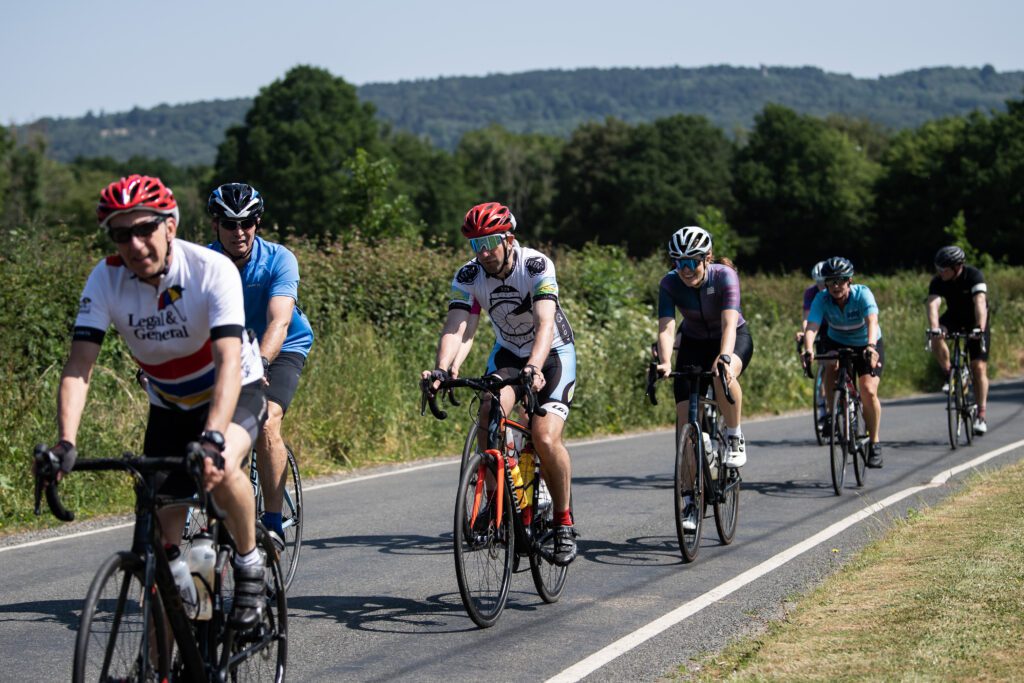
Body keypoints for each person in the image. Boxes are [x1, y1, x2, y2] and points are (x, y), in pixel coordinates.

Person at [40, 175, 268, 627]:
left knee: (219, 468)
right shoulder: (105, 279)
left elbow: (227, 362)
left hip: (235, 389)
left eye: (145, 228)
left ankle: (249, 563)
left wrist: (214, 436)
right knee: (160, 553)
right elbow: (79, 367)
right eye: (122, 233)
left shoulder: (209, 269)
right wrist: (65, 442)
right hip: (170, 404)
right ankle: (168, 651)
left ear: (171, 225)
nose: (135, 243)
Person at [421, 202, 579, 565]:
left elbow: (544, 324)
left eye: (491, 241)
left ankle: (563, 522)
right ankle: (496, 502)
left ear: (509, 238)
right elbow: (459, 326)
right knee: (489, 411)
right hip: (508, 353)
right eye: (476, 244)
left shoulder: (536, 265)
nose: (485, 251)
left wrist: (535, 366)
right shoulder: (468, 276)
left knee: (543, 436)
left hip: (552, 354)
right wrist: (444, 369)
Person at [207, 183, 314, 547]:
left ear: (258, 222)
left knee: (267, 419)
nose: (239, 232)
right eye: (229, 223)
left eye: (247, 222)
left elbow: (280, 321)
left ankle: (271, 521)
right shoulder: (203, 263)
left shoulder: (278, 259)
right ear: (215, 225)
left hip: (281, 347)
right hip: (229, 349)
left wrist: (263, 363)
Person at [655, 226, 754, 477]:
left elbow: (729, 324)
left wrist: (725, 356)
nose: (685, 269)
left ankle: (734, 436)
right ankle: (689, 499)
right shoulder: (669, 283)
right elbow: (667, 329)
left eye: (691, 261)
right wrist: (666, 361)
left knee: (722, 373)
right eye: (679, 262)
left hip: (731, 337)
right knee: (684, 427)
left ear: (706, 258)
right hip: (693, 342)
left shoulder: (724, 276)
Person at [801, 256, 884, 467]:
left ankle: (874, 442)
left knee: (868, 390)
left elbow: (872, 320)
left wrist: (871, 347)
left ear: (849, 280)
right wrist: (808, 349)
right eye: (831, 281)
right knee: (830, 365)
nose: (836, 286)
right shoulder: (822, 298)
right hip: (836, 340)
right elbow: (812, 326)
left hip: (866, 341)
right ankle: (833, 412)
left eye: (840, 280)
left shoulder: (862, 294)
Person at [926, 245, 990, 434]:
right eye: (938, 269)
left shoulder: (974, 276)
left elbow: (980, 302)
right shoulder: (938, 281)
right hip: (954, 317)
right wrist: (935, 328)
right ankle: (951, 374)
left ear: (957, 267)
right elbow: (933, 304)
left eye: (943, 269)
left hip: (976, 320)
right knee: (936, 336)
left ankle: (981, 415)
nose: (940, 273)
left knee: (978, 367)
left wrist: (979, 328)